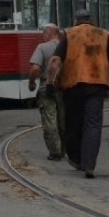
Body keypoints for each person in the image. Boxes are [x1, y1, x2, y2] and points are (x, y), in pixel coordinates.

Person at [46, 9, 109, 179]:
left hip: (73, 85)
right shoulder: (103, 34)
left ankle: (77, 159)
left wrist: (50, 83)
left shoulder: (69, 34)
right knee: (93, 125)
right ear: (90, 20)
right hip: (97, 84)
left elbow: (55, 61)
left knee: (72, 124)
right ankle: (90, 164)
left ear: (75, 20)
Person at [28, 24, 66, 160]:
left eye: (44, 34)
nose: (43, 37)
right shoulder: (67, 47)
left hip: (47, 87)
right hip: (64, 88)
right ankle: (64, 150)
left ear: (48, 34)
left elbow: (35, 69)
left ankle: (55, 152)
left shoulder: (42, 47)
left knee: (50, 120)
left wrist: (31, 82)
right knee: (63, 120)